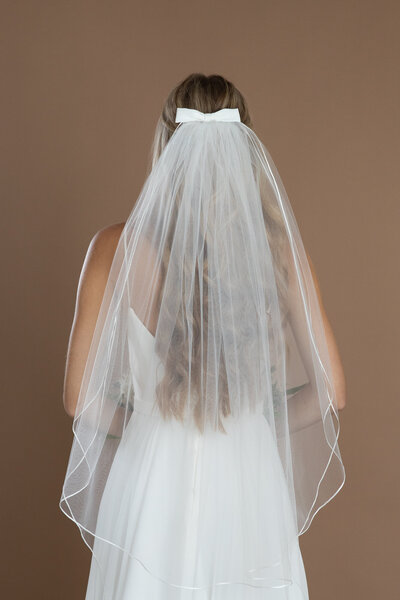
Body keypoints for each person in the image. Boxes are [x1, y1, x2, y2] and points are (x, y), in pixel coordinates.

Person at [60, 73, 346, 599]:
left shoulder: (112, 248)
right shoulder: (279, 253)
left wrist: (147, 423)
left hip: (150, 477)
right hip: (247, 475)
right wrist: (257, 420)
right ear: (244, 151)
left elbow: (79, 399)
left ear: (167, 145)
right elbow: (331, 392)